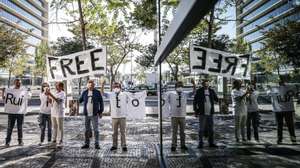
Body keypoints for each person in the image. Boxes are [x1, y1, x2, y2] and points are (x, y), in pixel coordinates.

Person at [268, 77, 297, 144]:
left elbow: (294, 93)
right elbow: (268, 93)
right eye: (279, 80)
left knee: (289, 125)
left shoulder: (288, 87)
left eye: (281, 80)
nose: (280, 81)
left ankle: (291, 139)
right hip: (281, 109)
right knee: (280, 125)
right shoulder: (275, 88)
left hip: (286, 109)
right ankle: (280, 139)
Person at [102, 82, 128, 152]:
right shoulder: (111, 94)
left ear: (120, 87)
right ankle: (114, 145)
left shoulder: (124, 94)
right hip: (114, 117)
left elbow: (133, 97)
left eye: (117, 86)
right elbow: (103, 93)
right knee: (114, 132)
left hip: (122, 116)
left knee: (123, 132)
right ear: (113, 88)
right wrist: (102, 85)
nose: (116, 88)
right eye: (115, 87)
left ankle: (124, 145)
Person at [193, 79, 218, 148]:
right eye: (205, 83)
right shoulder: (199, 91)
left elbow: (216, 99)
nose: (206, 84)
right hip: (202, 113)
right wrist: (195, 110)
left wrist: (219, 99)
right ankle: (200, 143)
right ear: (202, 84)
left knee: (211, 129)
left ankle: (211, 142)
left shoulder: (211, 91)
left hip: (210, 113)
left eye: (207, 83)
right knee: (201, 129)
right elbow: (195, 101)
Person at [4, 79, 29, 147]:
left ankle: (20, 141)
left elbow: (29, 96)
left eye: (19, 83)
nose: (18, 84)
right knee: (10, 127)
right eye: (17, 82)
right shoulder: (10, 90)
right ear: (14, 83)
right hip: (12, 112)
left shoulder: (24, 90)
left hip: (20, 112)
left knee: (20, 127)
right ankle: (7, 142)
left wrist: (28, 92)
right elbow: (5, 98)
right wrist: (3, 92)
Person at [80, 80, 104, 149]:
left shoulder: (97, 92)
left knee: (96, 130)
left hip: (95, 114)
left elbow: (101, 102)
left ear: (94, 85)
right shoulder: (84, 92)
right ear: (87, 85)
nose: (90, 86)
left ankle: (97, 144)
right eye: (89, 85)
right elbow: (80, 100)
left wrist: (100, 111)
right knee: (87, 130)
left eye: (92, 85)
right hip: (86, 114)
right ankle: (86, 143)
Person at [166, 81, 188, 151]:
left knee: (183, 132)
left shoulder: (185, 94)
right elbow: (164, 97)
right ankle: (173, 145)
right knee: (174, 132)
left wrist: (194, 85)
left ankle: (183, 145)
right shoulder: (171, 94)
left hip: (182, 116)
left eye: (181, 86)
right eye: (178, 86)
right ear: (175, 87)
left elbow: (193, 93)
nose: (180, 87)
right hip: (174, 116)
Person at [45, 82, 66, 147]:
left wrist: (50, 94)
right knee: (54, 126)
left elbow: (58, 101)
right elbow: (51, 101)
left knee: (60, 127)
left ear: (61, 87)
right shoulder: (54, 92)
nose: (56, 87)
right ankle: (54, 139)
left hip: (59, 112)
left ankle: (60, 140)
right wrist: (48, 96)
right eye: (56, 86)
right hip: (53, 111)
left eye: (58, 86)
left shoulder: (63, 93)